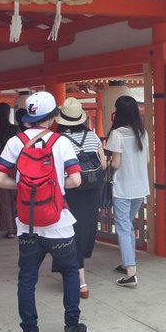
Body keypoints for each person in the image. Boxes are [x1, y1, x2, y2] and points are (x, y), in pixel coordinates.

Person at [0, 91, 86, 332]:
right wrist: (55, 188)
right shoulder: (61, 142)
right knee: (70, 273)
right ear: (54, 116)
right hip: (58, 222)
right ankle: (71, 329)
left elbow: (0, 180)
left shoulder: (15, 142)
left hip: (28, 223)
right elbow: (75, 180)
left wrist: (25, 187)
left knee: (27, 279)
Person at [56, 97, 106, 299]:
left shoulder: (60, 140)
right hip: (92, 190)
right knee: (84, 231)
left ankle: (80, 281)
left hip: (70, 190)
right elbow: (103, 164)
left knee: (70, 232)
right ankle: (75, 275)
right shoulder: (92, 137)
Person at [106, 95, 149, 288]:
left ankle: (131, 272)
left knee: (123, 227)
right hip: (140, 187)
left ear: (118, 113)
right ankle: (127, 264)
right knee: (128, 225)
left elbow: (116, 163)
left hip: (122, 187)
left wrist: (106, 163)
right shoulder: (142, 133)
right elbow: (147, 160)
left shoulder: (117, 134)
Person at [0, 102, 20, 238]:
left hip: (1, 165)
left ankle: (9, 229)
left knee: (3, 199)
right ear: (8, 113)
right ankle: (19, 226)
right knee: (17, 197)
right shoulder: (16, 129)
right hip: (16, 165)